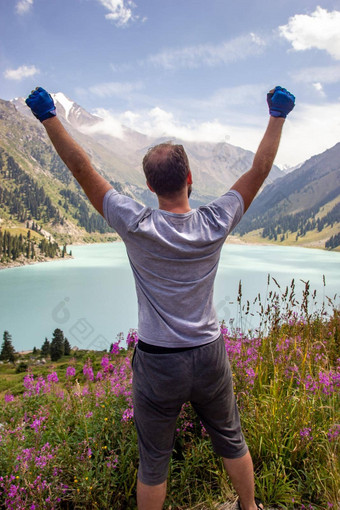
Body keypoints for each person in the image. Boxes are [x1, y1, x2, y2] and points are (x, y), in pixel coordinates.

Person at [25, 85, 295, 510]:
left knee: (154, 461)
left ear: (149, 186)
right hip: (208, 353)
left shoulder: (136, 224)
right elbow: (259, 170)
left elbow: (81, 169)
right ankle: (250, 507)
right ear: (191, 180)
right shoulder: (216, 220)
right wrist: (277, 115)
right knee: (231, 438)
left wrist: (49, 117)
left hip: (157, 361)